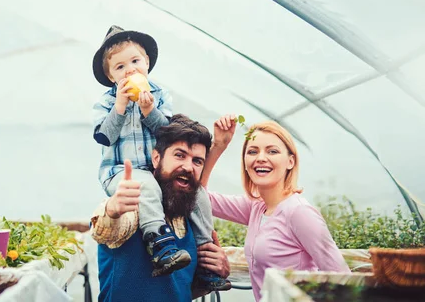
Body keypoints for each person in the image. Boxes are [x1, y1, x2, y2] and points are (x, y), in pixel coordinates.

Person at [91, 25, 228, 289]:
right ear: (111, 78)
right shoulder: (107, 102)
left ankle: (205, 255)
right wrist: (120, 107)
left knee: (199, 194)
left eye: (135, 61)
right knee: (145, 184)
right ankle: (159, 243)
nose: (129, 70)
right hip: (121, 173)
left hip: (151, 175)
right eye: (120, 68)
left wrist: (148, 110)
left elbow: (166, 134)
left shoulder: (159, 96)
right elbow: (104, 137)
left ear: (147, 63)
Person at [201, 115, 351, 301]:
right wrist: (218, 146)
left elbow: (342, 278)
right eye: (253, 151)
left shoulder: (299, 213)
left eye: (272, 151)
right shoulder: (256, 207)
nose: (261, 158)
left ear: (290, 162)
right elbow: (199, 197)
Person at [90, 114, 231, 302]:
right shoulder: (133, 206)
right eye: (179, 155)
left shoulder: (193, 218)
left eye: (197, 161)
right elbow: (103, 230)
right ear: (156, 158)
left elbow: (181, 290)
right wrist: (113, 209)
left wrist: (216, 269)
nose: (188, 167)